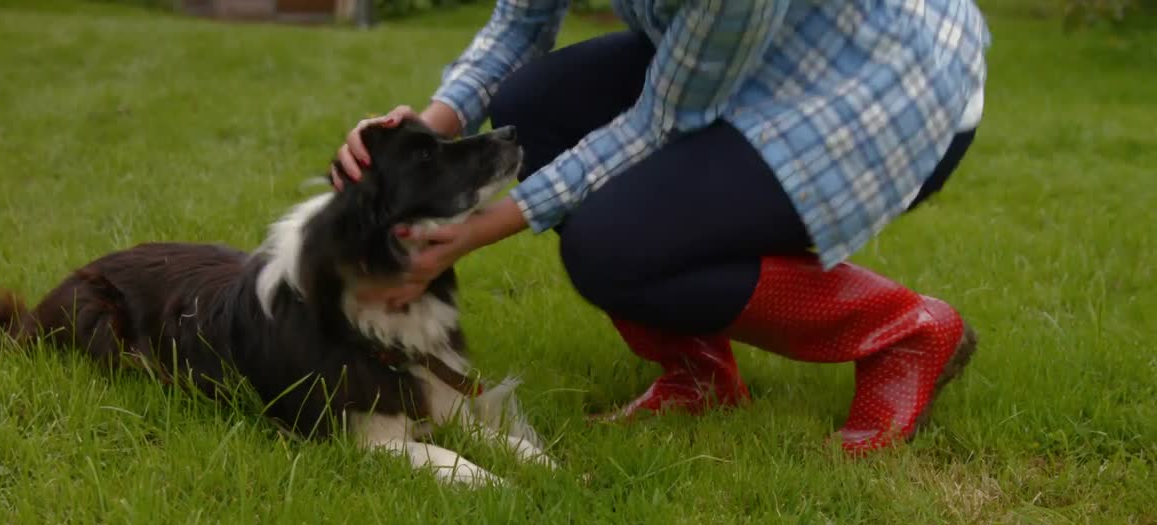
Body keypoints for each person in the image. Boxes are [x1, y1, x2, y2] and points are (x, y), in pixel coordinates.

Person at [331, 0, 991, 455]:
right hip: (761, 55)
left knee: (614, 248)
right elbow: (520, 22)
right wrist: (417, 135)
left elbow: (657, 124)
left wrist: (478, 229)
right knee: (533, 110)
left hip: (885, 83)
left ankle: (903, 330)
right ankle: (700, 374)